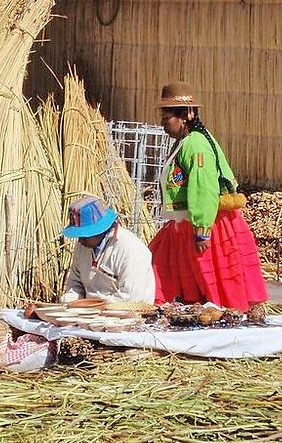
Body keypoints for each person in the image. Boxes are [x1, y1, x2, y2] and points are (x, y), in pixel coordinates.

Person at [150, 81, 268, 312]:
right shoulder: (187, 142)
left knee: (208, 279)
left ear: (186, 115)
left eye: (167, 118)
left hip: (206, 224)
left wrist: (202, 230)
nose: (163, 124)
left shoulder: (196, 145)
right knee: (163, 266)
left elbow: (203, 187)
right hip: (185, 224)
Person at [59, 195, 156, 304]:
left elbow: (132, 297)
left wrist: (95, 306)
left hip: (126, 315)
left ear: (99, 230)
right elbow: (75, 284)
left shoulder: (132, 249)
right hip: (90, 314)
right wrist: (70, 300)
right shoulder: (83, 246)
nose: (80, 240)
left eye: (84, 235)